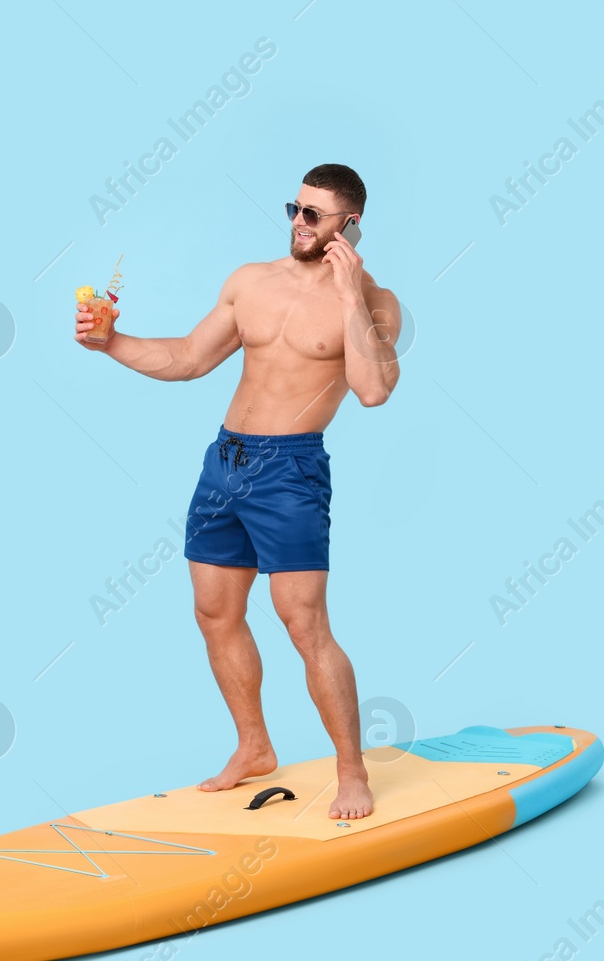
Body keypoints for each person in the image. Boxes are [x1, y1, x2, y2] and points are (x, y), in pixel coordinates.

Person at [72, 163, 401, 820]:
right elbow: (191, 358)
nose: (298, 223)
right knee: (215, 612)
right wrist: (112, 343)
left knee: (303, 622)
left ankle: (351, 771)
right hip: (226, 461)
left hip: (291, 470)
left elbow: (373, 389)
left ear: (350, 225)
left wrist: (346, 293)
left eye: (314, 214)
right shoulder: (251, 282)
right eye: (294, 208)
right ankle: (253, 745)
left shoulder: (377, 305)